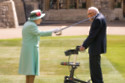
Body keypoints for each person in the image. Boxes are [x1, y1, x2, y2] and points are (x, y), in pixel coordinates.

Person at [18, 9, 60, 83]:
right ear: (36, 19)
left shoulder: (29, 23)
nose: (41, 19)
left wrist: (53, 31)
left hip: (29, 49)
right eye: (40, 18)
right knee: (31, 72)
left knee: (29, 72)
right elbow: (40, 33)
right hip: (31, 50)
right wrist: (53, 30)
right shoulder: (31, 25)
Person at [80, 7, 107, 83]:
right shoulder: (101, 17)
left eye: (90, 14)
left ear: (94, 13)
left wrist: (84, 45)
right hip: (97, 46)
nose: (88, 16)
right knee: (95, 67)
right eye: (88, 14)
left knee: (95, 68)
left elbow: (92, 35)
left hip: (95, 47)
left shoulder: (97, 20)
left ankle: (97, 81)